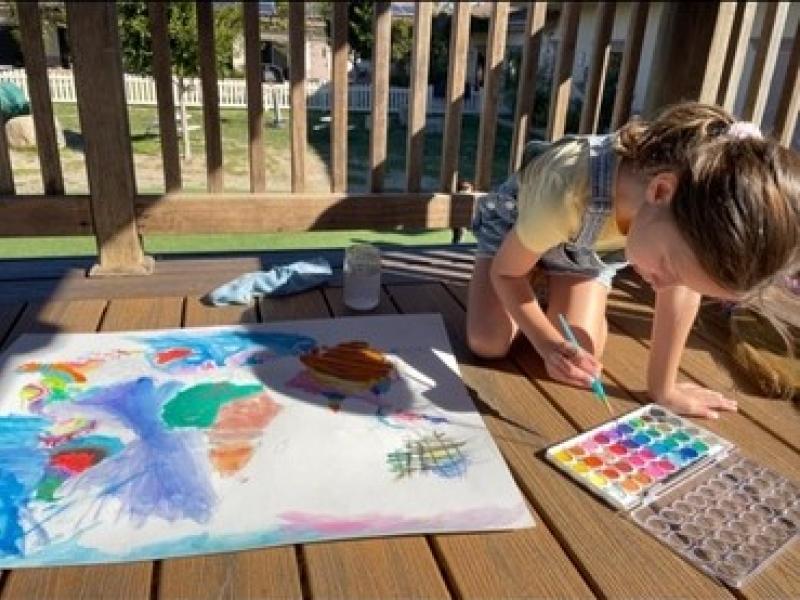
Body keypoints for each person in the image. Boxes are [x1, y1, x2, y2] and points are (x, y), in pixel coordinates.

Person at [467, 102, 800, 418]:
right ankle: (536, 274)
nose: (661, 285)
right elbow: (507, 274)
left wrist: (663, 390)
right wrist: (546, 343)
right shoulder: (566, 190)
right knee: (488, 341)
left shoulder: (681, 227)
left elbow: (679, 295)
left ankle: (545, 285)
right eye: (669, 267)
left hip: (584, 252)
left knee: (581, 354)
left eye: (685, 280)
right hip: (519, 226)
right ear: (659, 192)